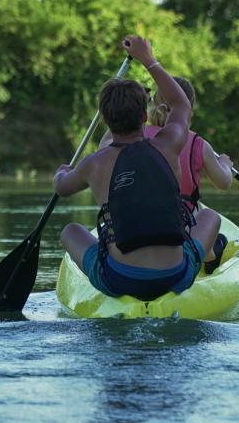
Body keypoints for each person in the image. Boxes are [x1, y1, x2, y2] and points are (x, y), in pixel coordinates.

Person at [54, 35, 221, 301]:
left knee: (70, 231)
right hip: (175, 274)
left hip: (120, 279)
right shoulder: (169, 144)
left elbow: (62, 188)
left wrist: (61, 172)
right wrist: (148, 60)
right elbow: (181, 105)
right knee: (210, 217)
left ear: (106, 120)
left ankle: (103, 275)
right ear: (145, 116)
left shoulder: (93, 163)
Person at [100, 77, 235, 273]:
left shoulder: (132, 135)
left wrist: (121, 116)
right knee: (206, 215)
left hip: (134, 221)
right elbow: (224, 183)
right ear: (189, 110)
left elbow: (103, 146)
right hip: (181, 224)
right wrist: (224, 164)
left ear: (150, 104)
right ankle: (209, 254)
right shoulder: (197, 143)